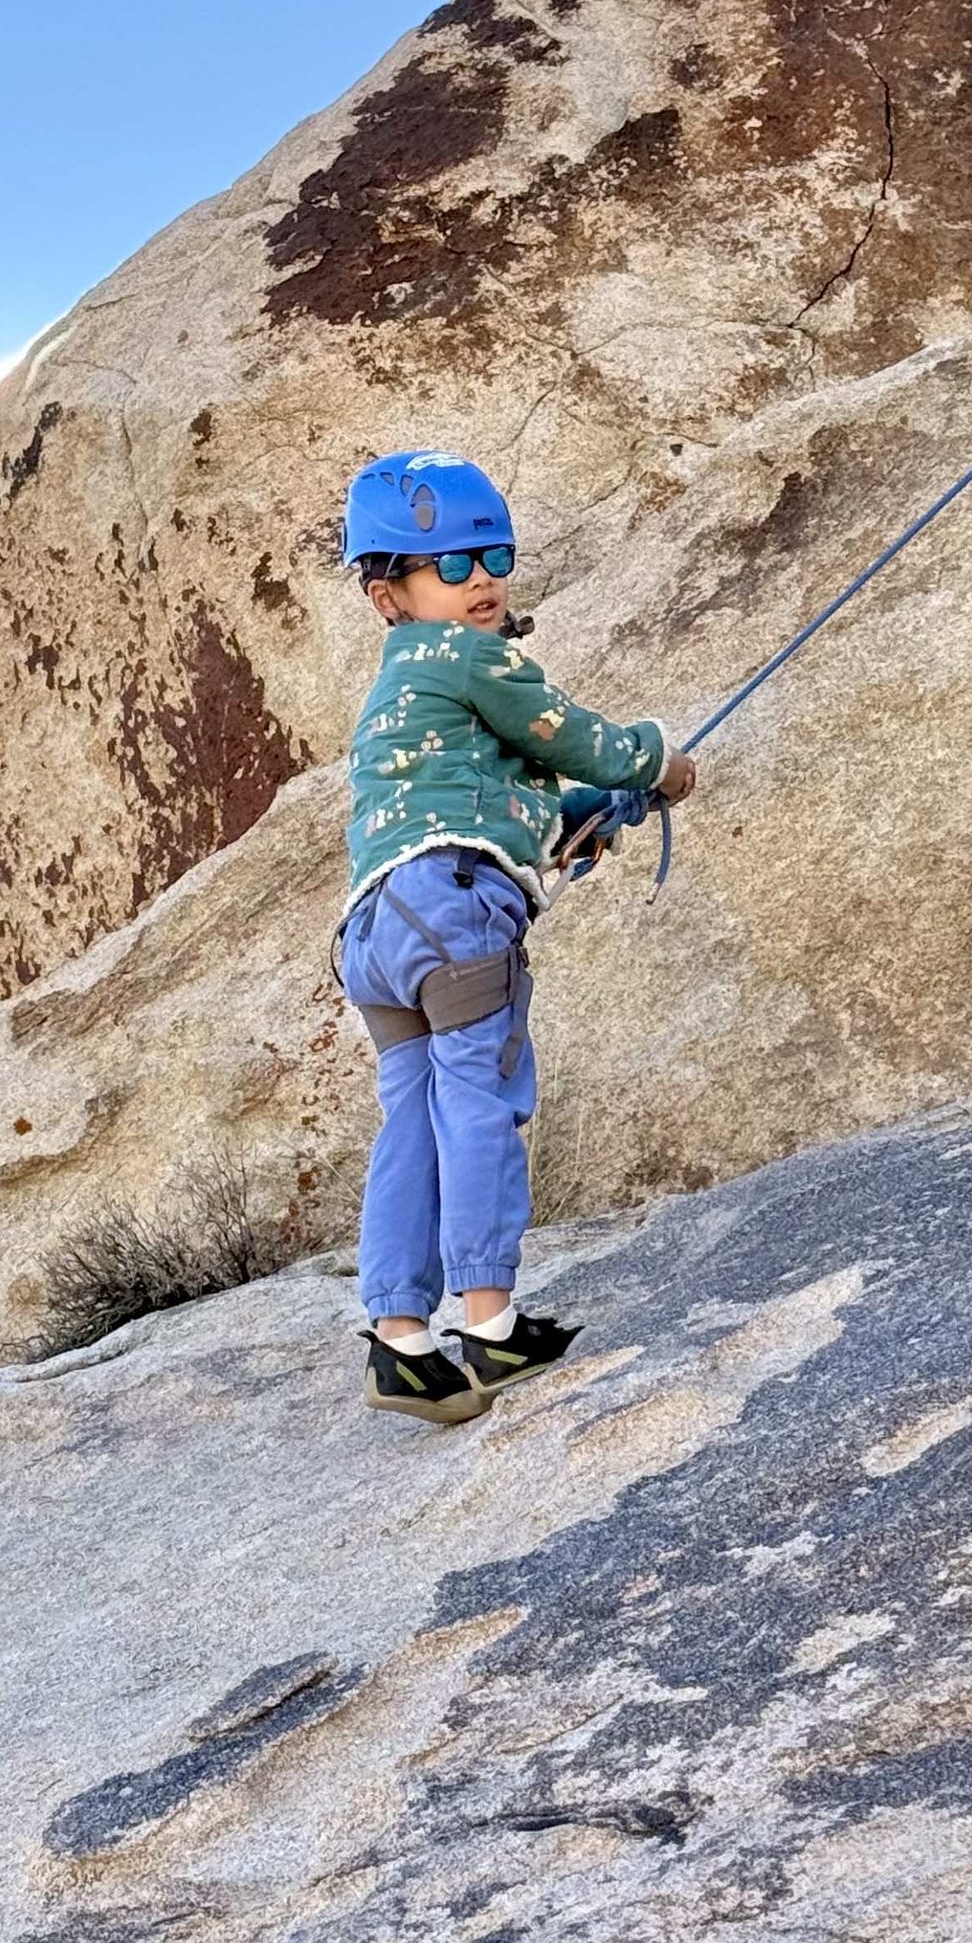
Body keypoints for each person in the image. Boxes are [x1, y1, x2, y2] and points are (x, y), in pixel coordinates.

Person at [336, 450, 696, 1422]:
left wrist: (584, 815)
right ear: (388, 597)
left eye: (489, 553)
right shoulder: (466, 657)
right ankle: (490, 1327)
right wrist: (652, 764)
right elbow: (568, 734)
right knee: (480, 1097)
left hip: (376, 928)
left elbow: (506, 788)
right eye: (447, 565)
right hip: (452, 903)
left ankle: (400, 1341)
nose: (480, 578)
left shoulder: (400, 694)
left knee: (409, 1117)